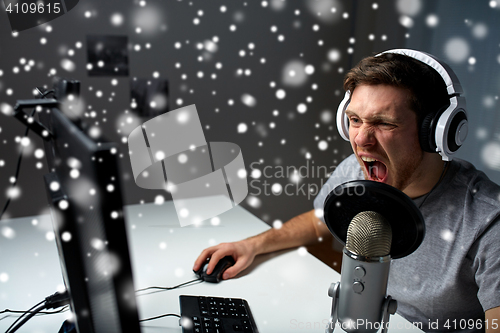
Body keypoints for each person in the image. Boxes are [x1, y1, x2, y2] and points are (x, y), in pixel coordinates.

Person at [193, 50, 500, 332]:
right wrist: (254, 245)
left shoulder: (489, 220)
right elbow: (318, 221)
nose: (362, 140)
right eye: (355, 120)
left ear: (435, 131)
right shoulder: (357, 171)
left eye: (384, 123)